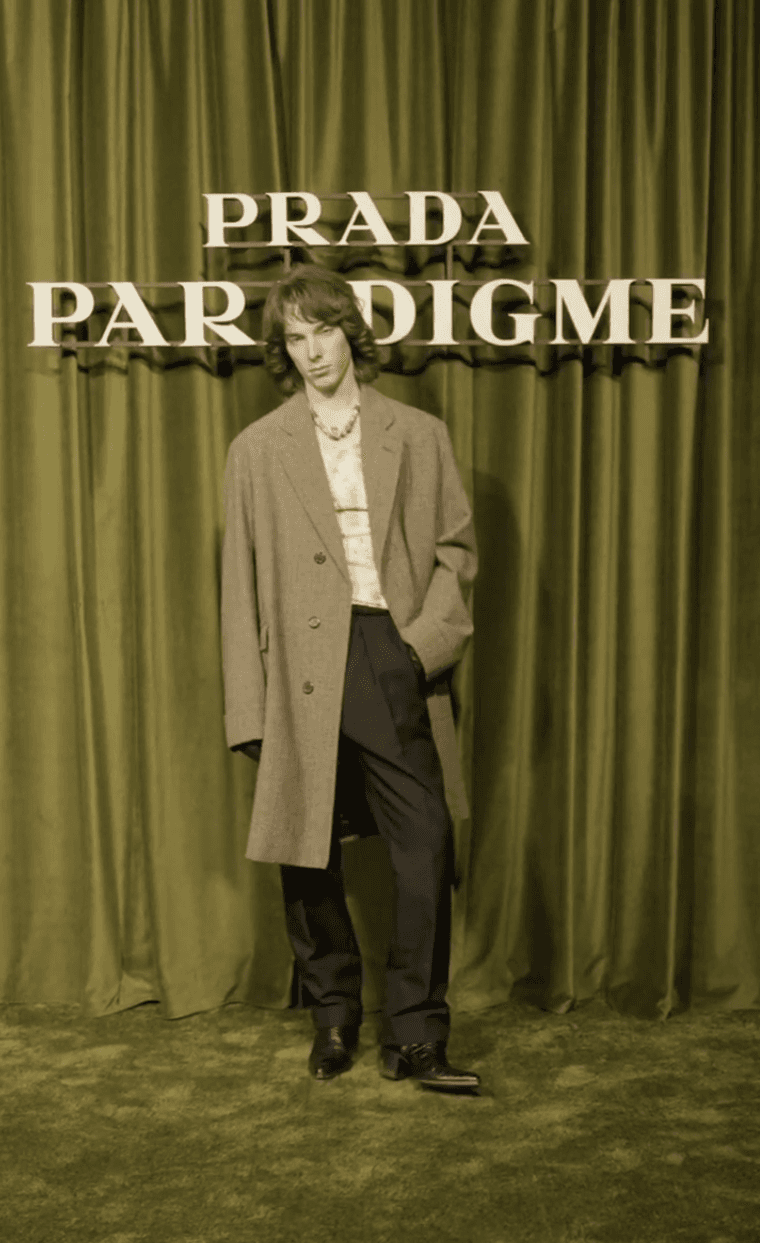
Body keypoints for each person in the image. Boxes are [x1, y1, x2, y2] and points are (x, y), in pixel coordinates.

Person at [221, 264, 479, 1094]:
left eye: (324, 331)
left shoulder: (419, 433)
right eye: (295, 338)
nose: (312, 352)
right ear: (283, 350)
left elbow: (456, 554)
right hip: (296, 665)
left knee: (424, 845)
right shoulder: (256, 449)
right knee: (308, 848)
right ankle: (333, 1015)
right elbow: (237, 586)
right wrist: (247, 706)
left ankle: (417, 1032)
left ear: (350, 333)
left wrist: (418, 649)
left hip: (387, 649)